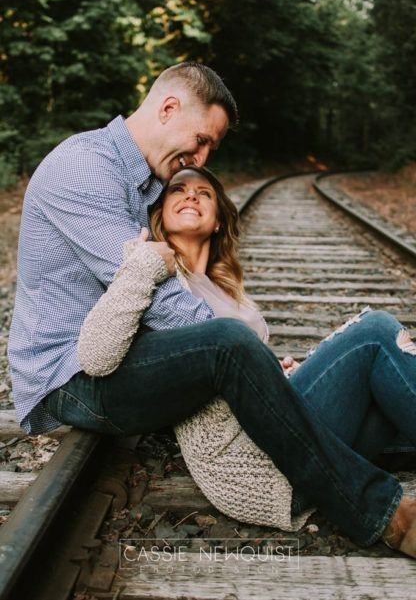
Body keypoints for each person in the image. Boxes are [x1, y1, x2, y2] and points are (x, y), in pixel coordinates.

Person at [7, 63, 416, 555]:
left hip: (119, 353)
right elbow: (156, 298)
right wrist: (257, 364)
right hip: (68, 374)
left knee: (373, 386)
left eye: (208, 153)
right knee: (229, 343)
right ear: (168, 108)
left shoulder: (144, 181)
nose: (198, 160)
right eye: (201, 141)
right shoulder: (85, 168)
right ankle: (380, 512)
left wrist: (265, 374)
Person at [74, 164, 416, 553]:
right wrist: (145, 265)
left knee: (388, 386)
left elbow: (248, 383)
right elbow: (95, 353)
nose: (191, 195)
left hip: (293, 441)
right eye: (178, 190)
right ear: (159, 216)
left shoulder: (233, 297)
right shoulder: (153, 271)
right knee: (373, 333)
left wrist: (279, 375)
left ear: (219, 220)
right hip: (257, 461)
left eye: (204, 193)